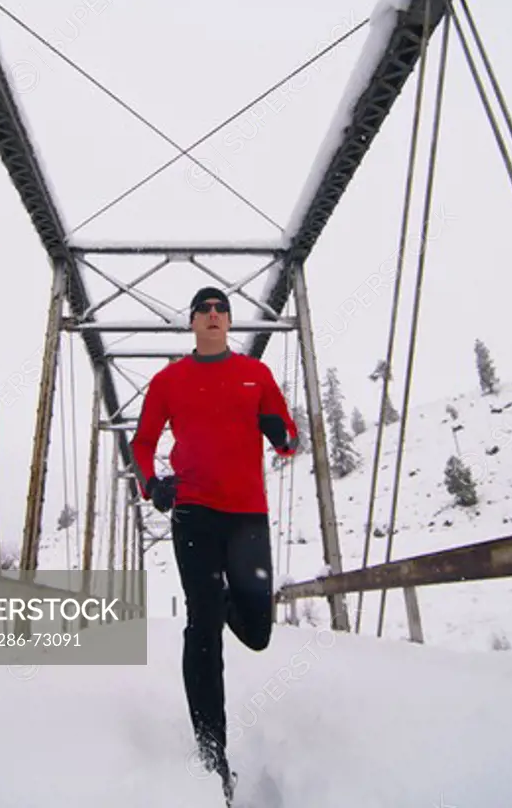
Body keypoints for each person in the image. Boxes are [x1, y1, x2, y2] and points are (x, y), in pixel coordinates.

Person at [130, 286, 298, 791]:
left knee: (258, 633)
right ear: (192, 322)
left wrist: (280, 432)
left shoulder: (256, 374)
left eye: (220, 308)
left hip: (247, 514)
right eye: (202, 308)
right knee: (202, 629)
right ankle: (212, 753)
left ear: (228, 321)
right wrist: (151, 484)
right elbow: (142, 443)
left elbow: (289, 439)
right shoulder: (169, 381)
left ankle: (223, 599)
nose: (212, 314)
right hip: (195, 513)